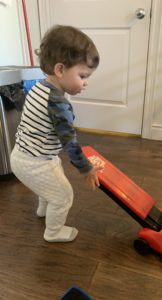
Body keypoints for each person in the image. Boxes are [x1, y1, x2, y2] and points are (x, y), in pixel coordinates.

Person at [10, 25, 103, 243]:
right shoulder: (58, 103)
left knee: (54, 175)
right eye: (82, 75)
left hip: (23, 155)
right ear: (60, 69)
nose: (86, 82)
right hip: (35, 162)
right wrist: (86, 169)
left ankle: (43, 210)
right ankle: (53, 232)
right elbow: (70, 144)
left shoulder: (38, 87)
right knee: (63, 195)